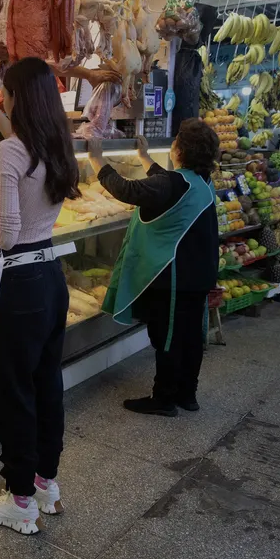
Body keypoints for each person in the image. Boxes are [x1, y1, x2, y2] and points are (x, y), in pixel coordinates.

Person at [0, 57, 79, 535]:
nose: (2, 98)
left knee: (11, 394)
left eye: (4, 91)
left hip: (19, 285)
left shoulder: (9, 153)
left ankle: (19, 501)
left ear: (18, 97)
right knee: (46, 385)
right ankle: (44, 483)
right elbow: (16, 142)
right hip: (50, 277)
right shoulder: (53, 143)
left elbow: (6, 233)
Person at [88, 120, 219, 417]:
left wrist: (97, 160)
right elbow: (167, 184)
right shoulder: (202, 180)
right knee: (190, 337)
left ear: (180, 149)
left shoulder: (175, 183)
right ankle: (188, 394)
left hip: (175, 277)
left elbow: (128, 189)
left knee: (169, 337)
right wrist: (145, 157)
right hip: (198, 275)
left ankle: (164, 399)